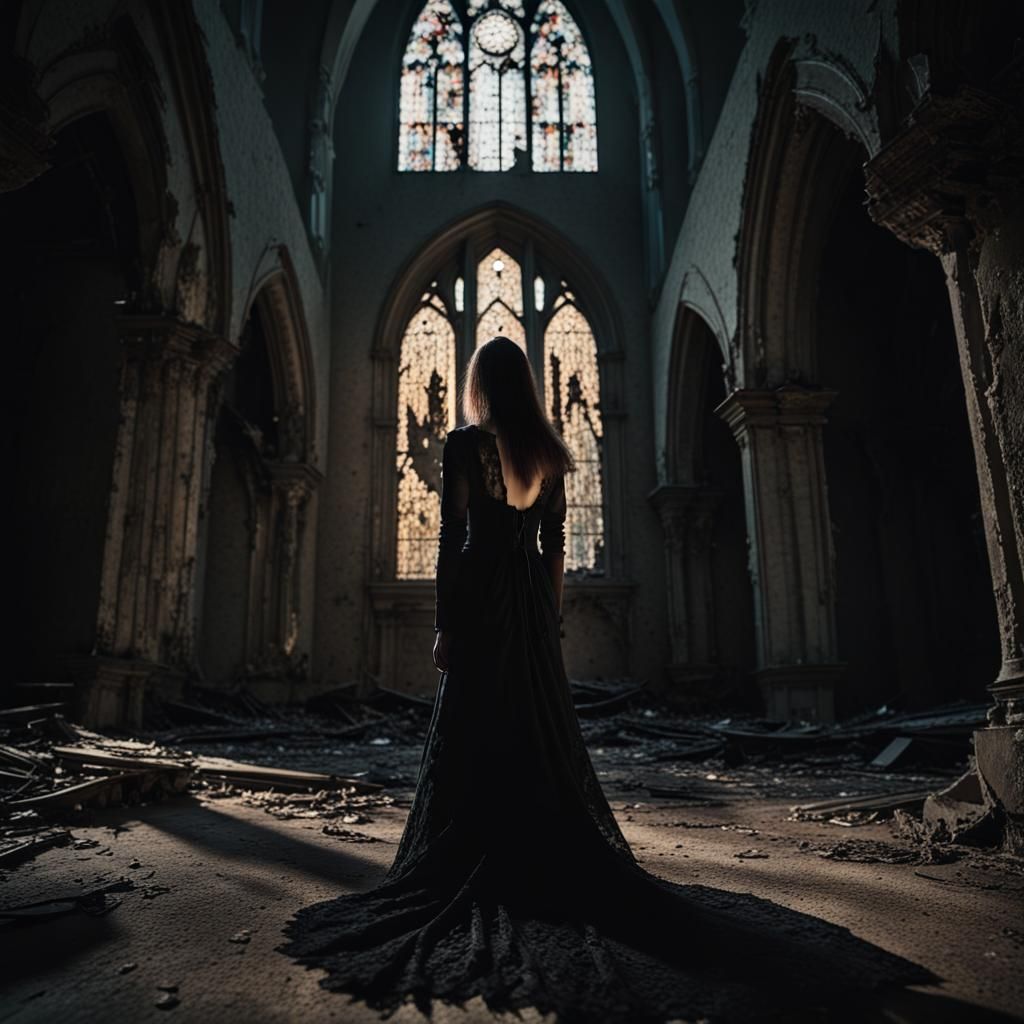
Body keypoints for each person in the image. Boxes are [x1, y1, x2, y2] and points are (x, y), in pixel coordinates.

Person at [283, 337, 934, 1022]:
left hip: (483, 603)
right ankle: (539, 851)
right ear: (528, 385)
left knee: (475, 728)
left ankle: (483, 851)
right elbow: (555, 546)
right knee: (537, 729)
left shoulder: (467, 447)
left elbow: (455, 539)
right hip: (532, 606)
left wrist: (449, 622)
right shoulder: (550, 452)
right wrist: (547, 617)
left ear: (478, 385)